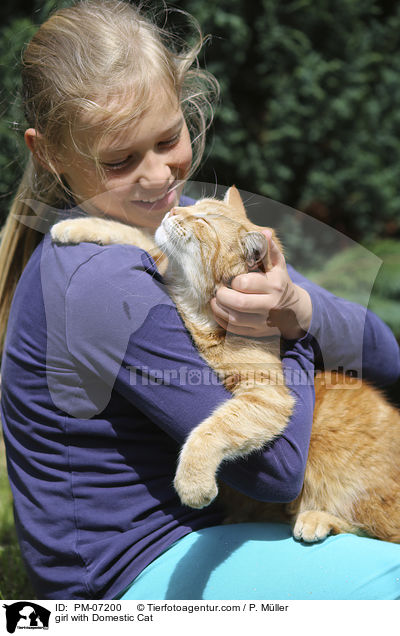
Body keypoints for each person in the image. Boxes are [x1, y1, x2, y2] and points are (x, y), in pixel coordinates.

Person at [0, 0, 399, 601]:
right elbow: (277, 469)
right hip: (125, 583)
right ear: (50, 152)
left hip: (201, 532)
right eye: (121, 159)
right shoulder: (104, 279)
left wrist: (295, 304)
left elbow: (384, 353)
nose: (160, 177)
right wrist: (278, 336)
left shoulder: (166, 234)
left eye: (168, 139)